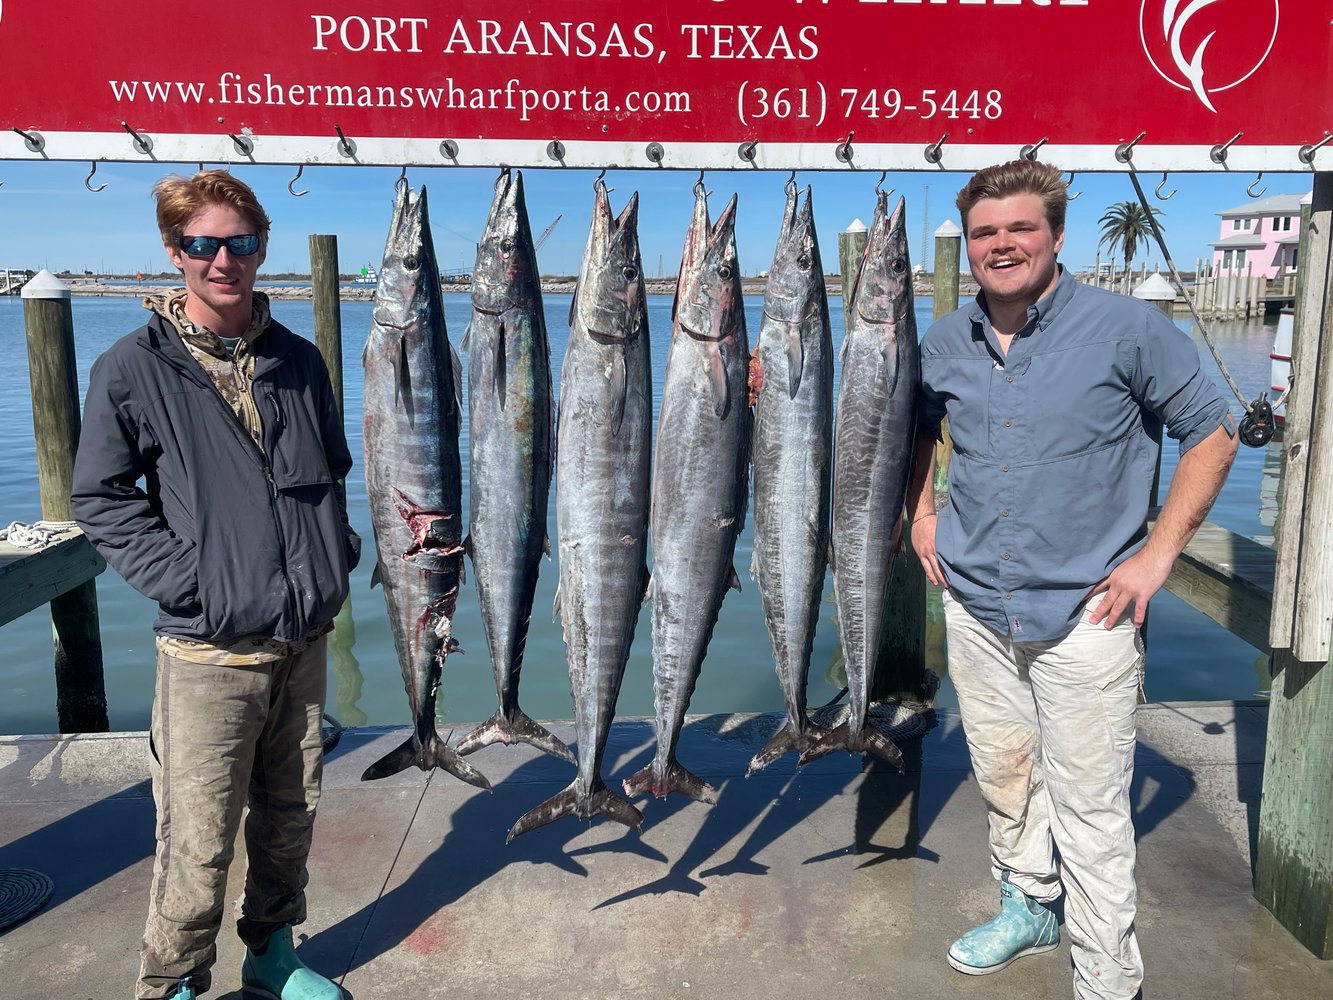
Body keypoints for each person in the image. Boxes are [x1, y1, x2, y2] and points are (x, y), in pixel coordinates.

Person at [907, 160, 1237, 999]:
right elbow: (912, 428)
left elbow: (1213, 431)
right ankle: (1028, 907)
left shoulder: (1127, 329)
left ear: (1055, 233)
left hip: (1088, 611)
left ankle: (1105, 975)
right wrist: (920, 512)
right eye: (984, 233)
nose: (1001, 245)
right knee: (1006, 779)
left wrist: (1157, 554)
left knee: (1091, 811)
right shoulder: (945, 338)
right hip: (978, 605)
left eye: (1019, 228)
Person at [71, 170, 359, 1000]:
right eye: (203, 244)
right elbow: (99, 496)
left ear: (262, 247)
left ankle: (272, 953)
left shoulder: (299, 360)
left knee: (288, 820)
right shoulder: (132, 367)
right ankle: (172, 981)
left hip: (301, 637)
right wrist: (188, 582)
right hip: (207, 649)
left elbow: (331, 472)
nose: (223, 259)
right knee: (196, 838)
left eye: (240, 242)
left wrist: (331, 552)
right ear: (175, 251)